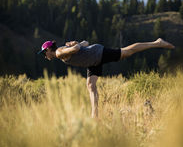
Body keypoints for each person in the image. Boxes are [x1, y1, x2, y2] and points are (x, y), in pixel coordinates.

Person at [38, 38, 175, 118]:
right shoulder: (60, 51)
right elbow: (84, 43)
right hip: (92, 61)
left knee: (126, 52)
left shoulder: (59, 52)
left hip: (97, 54)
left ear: (49, 49)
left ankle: (157, 43)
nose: (45, 56)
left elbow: (75, 50)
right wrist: (79, 43)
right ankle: (95, 115)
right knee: (90, 85)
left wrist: (76, 46)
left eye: (45, 53)